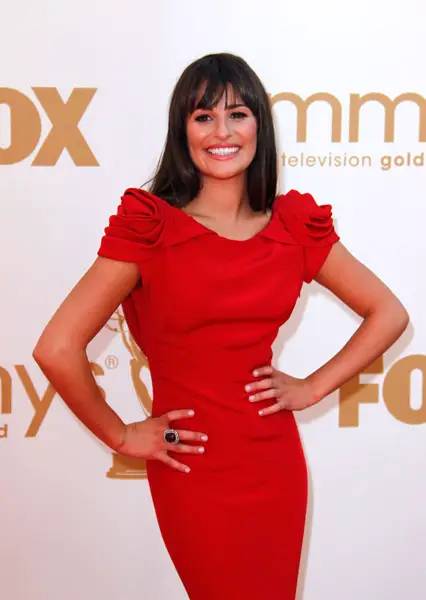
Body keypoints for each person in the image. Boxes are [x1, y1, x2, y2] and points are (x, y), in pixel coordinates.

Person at [33, 53, 409, 599]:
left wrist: (310, 387)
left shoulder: (293, 227)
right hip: (193, 467)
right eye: (203, 116)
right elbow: (57, 347)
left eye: (238, 114)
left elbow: (389, 313)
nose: (222, 132)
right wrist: (120, 434)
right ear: (181, 130)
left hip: (273, 462)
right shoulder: (151, 229)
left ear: (260, 125)